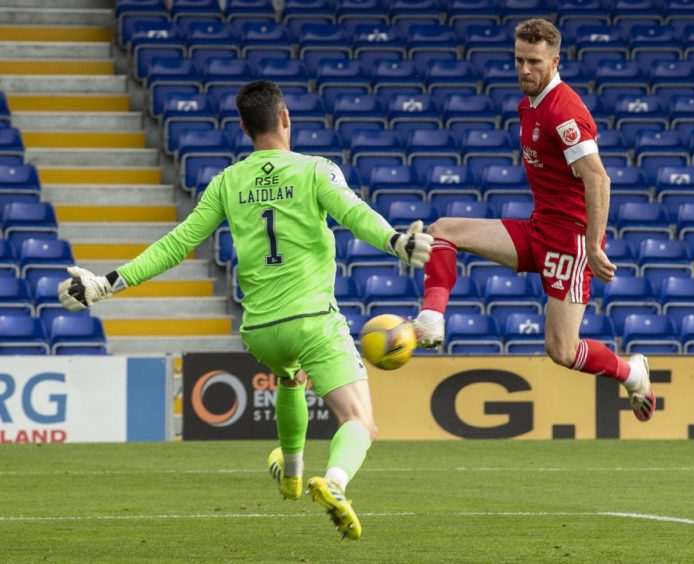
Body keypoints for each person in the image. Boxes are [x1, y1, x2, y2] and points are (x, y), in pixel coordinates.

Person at [57, 80, 434, 539]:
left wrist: (107, 283)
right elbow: (353, 213)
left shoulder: (228, 182)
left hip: (259, 331)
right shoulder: (316, 170)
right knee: (361, 422)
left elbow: (178, 244)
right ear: (286, 117)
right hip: (312, 320)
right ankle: (333, 483)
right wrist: (396, 241)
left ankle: (292, 474)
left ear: (243, 127)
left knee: (289, 375)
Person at [412, 18, 656, 422]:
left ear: (555, 60)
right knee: (443, 230)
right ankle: (431, 319)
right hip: (539, 228)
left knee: (561, 349)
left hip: (569, 242)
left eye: (535, 62)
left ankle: (633, 373)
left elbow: (598, 178)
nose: (525, 70)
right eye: (519, 60)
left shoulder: (565, 112)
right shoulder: (528, 104)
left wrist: (593, 246)